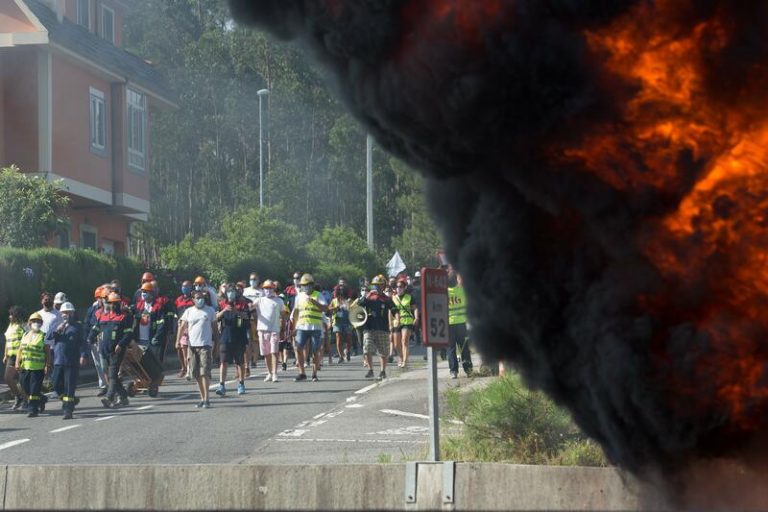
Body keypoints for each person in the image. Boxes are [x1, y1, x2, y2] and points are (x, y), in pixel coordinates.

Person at [89, 292, 133, 408]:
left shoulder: (124, 316)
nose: (113, 305)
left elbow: (128, 334)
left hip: (117, 351)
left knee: (113, 375)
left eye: (116, 303)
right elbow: (96, 328)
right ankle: (124, 396)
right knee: (110, 375)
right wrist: (90, 337)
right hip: (104, 350)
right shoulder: (103, 316)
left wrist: (121, 344)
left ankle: (109, 397)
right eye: (111, 303)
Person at [177, 290, 219, 408]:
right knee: (196, 373)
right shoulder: (189, 312)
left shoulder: (210, 311)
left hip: (205, 345)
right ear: (193, 299)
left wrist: (216, 344)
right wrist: (177, 341)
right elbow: (182, 326)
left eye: (202, 297)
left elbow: (215, 329)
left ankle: (207, 399)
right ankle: (202, 398)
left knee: (204, 372)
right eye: (197, 298)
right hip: (192, 346)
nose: (200, 299)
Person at [47, 302, 88, 420]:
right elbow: (48, 337)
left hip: (72, 360)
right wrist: (57, 330)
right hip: (58, 360)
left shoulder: (78, 326)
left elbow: (83, 343)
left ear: (73, 313)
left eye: (69, 312)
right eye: (65, 312)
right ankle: (71, 401)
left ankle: (68, 410)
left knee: (69, 387)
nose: (67, 315)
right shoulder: (56, 324)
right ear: (61, 313)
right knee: (55, 384)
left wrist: (83, 355)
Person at [132, 282, 169, 396]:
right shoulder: (138, 306)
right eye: (142, 292)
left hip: (151, 339)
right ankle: (142, 381)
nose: (143, 294)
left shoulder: (158, 306)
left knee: (151, 363)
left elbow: (161, 324)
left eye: (146, 292)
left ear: (152, 293)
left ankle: (153, 381)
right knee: (139, 363)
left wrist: (157, 337)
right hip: (139, 339)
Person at [290, 273, 328, 382]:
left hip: (316, 327)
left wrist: (315, 303)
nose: (305, 287)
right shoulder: (299, 296)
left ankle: (314, 374)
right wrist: (294, 328)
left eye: (307, 285)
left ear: (312, 285)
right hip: (302, 327)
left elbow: (325, 309)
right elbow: (296, 312)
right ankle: (302, 373)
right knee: (298, 348)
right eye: (303, 285)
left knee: (315, 351)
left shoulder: (318, 295)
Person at [215, 284, 250, 396]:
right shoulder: (221, 304)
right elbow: (215, 317)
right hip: (225, 336)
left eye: (233, 291)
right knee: (223, 362)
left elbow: (247, 316)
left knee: (240, 362)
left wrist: (237, 311)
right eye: (229, 291)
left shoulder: (243, 304)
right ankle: (221, 385)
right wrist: (224, 310)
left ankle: (241, 384)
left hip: (239, 336)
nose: (231, 293)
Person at [356, 275, 393, 379]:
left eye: (379, 285)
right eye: (375, 285)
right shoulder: (369, 296)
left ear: (384, 286)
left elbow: (394, 310)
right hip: (369, 327)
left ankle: (382, 371)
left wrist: (395, 321)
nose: (377, 287)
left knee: (383, 352)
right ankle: (370, 370)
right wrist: (366, 296)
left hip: (383, 328)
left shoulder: (387, 299)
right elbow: (360, 304)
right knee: (367, 349)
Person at [16, 312, 50, 417]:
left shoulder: (43, 336)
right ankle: (42, 398)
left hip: (38, 368)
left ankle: (33, 409)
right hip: (25, 367)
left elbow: (47, 352)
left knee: (34, 389)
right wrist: (17, 362)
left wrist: (47, 365)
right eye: (34, 321)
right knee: (25, 387)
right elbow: (20, 350)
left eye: (38, 321)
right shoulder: (25, 334)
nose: (36, 323)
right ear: (29, 323)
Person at [253, 280, 285, 383]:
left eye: (270, 288)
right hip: (262, 330)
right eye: (266, 288)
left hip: (274, 330)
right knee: (266, 354)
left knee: (274, 352)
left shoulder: (279, 301)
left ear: (274, 289)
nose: (268, 290)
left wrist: (283, 326)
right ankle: (269, 373)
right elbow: (249, 307)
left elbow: (284, 314)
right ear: (263, 289)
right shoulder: (259, 300)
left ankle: (275, 373)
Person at [448, 273, 473, 378]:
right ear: (456, 281)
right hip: (461, 323)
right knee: (464, 347)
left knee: (451, 349)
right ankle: (468, 369)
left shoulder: (445, 293)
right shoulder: (462, 291)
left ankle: (453, 371)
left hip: (449, 324)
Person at [4, 306, 27, 410]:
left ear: (16, 316)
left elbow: (26, 340)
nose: (9, 317)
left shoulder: (23, 325)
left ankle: (28, 400)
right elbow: (7, 340)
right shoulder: (10, 326)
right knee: (8, 378)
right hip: (11, 356)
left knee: (22, 380)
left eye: (11, 315)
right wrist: (5, 354)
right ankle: (18, 397)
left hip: (21, 355)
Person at [392, 278, 419, 368]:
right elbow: (390, 311)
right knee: (396, 344)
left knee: (404, 341)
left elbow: (414, 308)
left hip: (407, 321)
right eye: (397, 287)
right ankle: (401, 357)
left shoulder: (409, 297)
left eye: (401, 287)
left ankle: (405, 361)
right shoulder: (393, 298)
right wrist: (389, 323)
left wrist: (416, 317)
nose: (398, 288)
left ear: (404, 288)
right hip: (396, 322)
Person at [174, 280, 195, 378]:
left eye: (187, 286)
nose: (184, 288)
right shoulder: (179, 299)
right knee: (179, 347)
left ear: (191, 287)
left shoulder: (194, 299)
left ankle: (190, 368)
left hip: (191, 326)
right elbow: (176, 312)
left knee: (189, 348)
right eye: (183, 286)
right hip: (181, 325)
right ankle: (183, 367)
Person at [328, 280, 353, 363]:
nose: (341, 291)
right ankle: (341, 356)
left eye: (343, 289)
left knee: (348, 338)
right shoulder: (334, 300)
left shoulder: (349, 300)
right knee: (338, 338)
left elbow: (355, 309)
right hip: (338, 322)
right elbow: (329, 308)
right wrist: (335, 308)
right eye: (340, 289)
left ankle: (348, 351)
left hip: (348, 321)